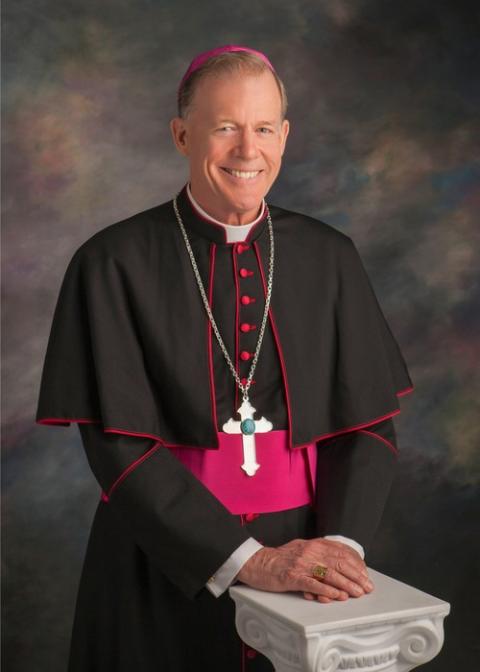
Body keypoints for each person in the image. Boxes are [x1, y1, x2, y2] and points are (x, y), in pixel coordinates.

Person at [35, 45, 414, 671]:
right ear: (182, 134)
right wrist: (248, 561)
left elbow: (367, 424)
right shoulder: (111, 264)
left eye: (263, 128)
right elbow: (116, 447)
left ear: (285, 137)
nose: (247, 150)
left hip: (310, 562)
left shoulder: (330, 257)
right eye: (225, 128)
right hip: (156, 561)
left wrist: (337, 550)